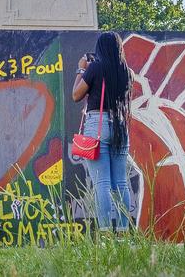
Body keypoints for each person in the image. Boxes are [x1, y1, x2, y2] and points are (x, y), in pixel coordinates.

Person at [72, 31, 133, 232]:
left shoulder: (95, 68)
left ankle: (106, 232)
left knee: (102, 183)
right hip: (120, 126)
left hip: (98, 125)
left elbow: (76, 95)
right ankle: (124, 232)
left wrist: (81, 70)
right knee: (121, 183)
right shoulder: (127, 71)